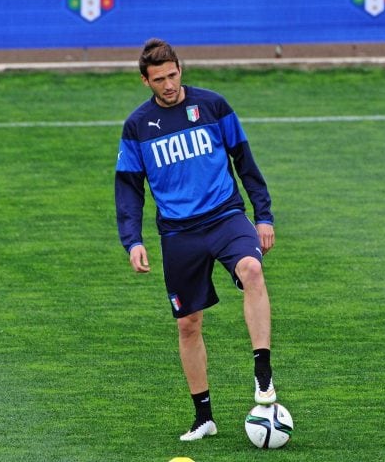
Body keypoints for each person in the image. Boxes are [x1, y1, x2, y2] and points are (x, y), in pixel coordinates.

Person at [115, 38, 278, 441]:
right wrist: (132, 240)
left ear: (180, 70)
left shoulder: (213, 106)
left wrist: (263, 215)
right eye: (159, 79)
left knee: (252, 268)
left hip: (225, 216)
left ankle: (262, 369)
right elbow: (129, 188)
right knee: (188, 324)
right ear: (145, 81)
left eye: (173, 75)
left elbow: (244, 159)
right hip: (178, 233)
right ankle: (203, 417)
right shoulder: (137, 126)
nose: (168, 85)